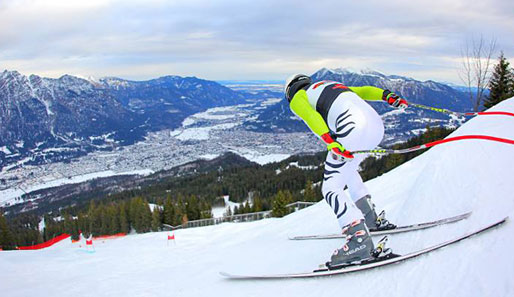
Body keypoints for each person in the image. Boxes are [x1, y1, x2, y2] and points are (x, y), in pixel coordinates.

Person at [284, 74, 408, 266]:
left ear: (290, 90)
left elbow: (310, 116)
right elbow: (366, 90)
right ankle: (370, 219)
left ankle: (359, 242)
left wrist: (329, 140)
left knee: (330, 188)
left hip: (351, 127)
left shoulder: (299, 97)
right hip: (375, 126)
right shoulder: (330, 86)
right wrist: (388, 96)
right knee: (348, 172)